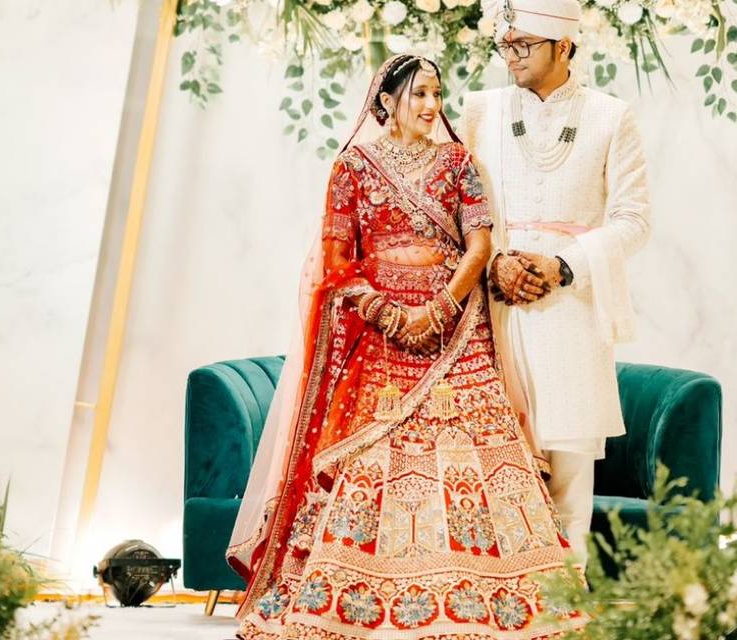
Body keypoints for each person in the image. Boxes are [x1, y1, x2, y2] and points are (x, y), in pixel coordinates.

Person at [225, 54, 585, 639]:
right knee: (373, 459)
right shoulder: (353, 168)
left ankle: (502, 599)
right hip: (382, 337)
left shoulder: (459, 162)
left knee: (485, 453)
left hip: (457, 332)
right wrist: (389, 313)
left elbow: (480, 243)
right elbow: (338, 259)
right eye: (418, 94)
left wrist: (440, 307)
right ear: (387, 100)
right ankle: (361, 599)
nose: (431, 106)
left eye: (437, 94)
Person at [461, 0, 651, 565]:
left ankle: (566, 603)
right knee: (490, 460)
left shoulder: (611, 116)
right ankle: (499, 602)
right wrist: (493, 263)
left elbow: (634, 219)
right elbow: (459, 209)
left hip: (571, 310)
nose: (511, 56)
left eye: (524, 45)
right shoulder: (480, 110)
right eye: (506, 44)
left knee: (569, 465)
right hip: (495, 309)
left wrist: (563, 265)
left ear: (563, 45)